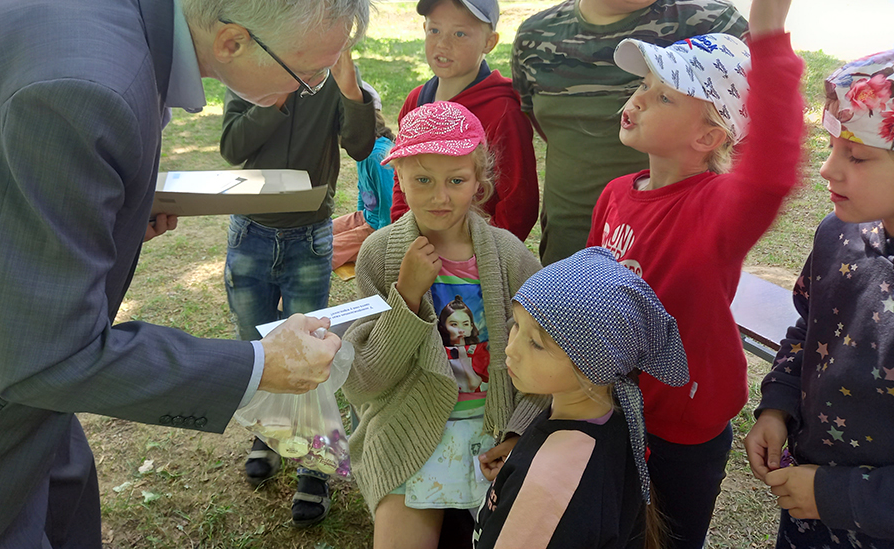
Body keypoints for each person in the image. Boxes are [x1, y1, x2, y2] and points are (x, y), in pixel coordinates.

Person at [0, 0, 368, 548]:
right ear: (232, 38)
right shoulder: (79, 89)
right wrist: (260, 364)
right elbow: (49, 355)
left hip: (4, 388)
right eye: (305, 74)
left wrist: (112, 208)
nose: (307, 92)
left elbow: (8, 181)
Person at [585, 0, 804, 549]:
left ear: (708, 136)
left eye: (661, 97)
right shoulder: (614, 194)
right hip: (612, 405)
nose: (636, 100)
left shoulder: (715, 212)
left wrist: (770, 43)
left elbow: (772, 173)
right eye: (642, 85)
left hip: (682, 427)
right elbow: (585, 296)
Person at [512, 0, 749, 265]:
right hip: (566, 268)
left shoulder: (715, 29)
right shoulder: (536, 39)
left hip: (673, 272)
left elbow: (748, 149)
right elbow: (544, 129)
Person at [341, 101, 545, 549]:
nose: (440, 196)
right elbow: (366, 381)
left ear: (479, 182)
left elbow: (548, 356)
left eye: (456, 180)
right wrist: (407, 297)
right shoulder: (379, 257)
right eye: (423, 180)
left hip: (494, 436)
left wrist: (517, 431)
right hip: (410, 431)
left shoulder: (511, 258)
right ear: (400, 179)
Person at [219, 50, 376, 526]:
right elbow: (232, 146)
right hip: (249, 233)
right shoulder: (249, 75)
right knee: (260, 348)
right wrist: (275, 94)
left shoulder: (337, 79)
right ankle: (268, 435)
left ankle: (316, 465)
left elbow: (362, 145)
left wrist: (350, 91)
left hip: (309, 237)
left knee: (311, 350)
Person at [744, 49, 894, 547]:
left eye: (857, 156)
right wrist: (777, 408)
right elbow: (809, 328)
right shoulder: (839, 234)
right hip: (809, 514)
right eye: (832, 147)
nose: (828, 170)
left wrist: (837, 495)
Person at [473, 247, 689, 549]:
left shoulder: (546, 488)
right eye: (516, 325)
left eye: (535, 343)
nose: (511, 349)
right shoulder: (611, 417)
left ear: (593, 365)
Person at [390, 0, 539, 241]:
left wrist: (481, 259)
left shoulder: (503, 111)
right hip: (421, 248)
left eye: (459, 33)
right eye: (434, 30)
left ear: (489, 42)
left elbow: (518, 204)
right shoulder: (415, 102)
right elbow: (401, 181)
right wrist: (406, 237)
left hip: (475, 264)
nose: (443, 44)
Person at [331, 81, 397, 271]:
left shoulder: (377, 157)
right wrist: (357, 220)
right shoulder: (362, 149)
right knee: (318, 234)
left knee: (320, 252)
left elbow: (389, 207)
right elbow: (364, 190)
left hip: (380, 229)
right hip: (367, 217)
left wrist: (380, 246)